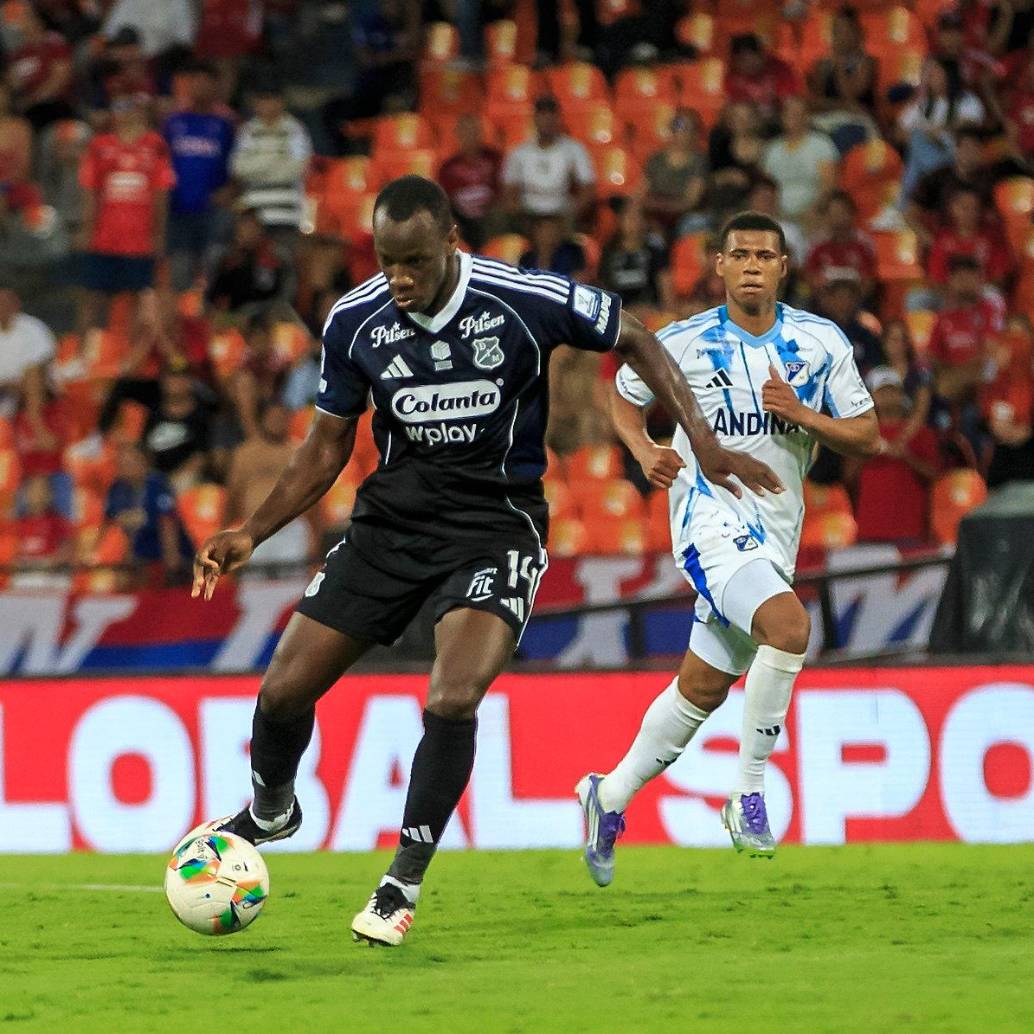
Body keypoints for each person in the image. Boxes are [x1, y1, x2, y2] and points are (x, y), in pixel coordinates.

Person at [190, 175, 780, 947]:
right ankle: (272, 809)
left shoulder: (520, 299)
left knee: (453, 695)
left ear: (450, 245)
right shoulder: (355, 320)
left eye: (413, 262)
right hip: (389, 530)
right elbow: (327, 446)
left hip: (494, 527)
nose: (398, 278)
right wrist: (251, 531)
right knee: (280, 695)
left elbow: (633, 332)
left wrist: (696, 434)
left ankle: (400, 884)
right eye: (385, 260)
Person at [576, 211, 878, 882]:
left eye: (763, 256)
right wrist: (642, 446)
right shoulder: (679, 342)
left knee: (704, 687)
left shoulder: (819, 342)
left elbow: (868, 434)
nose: (750, 265)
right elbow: (621, 397)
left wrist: (802, 414)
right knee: (790, 626)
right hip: (708, 520)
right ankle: (748, 792)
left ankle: (609, 794)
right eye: (738, 254)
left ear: (782, 268)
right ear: (718, 265)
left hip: (777, 530)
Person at [76, 92, 175, 340]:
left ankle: (124, 354)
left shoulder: (156, 145)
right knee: (93, 295)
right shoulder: (100, 146)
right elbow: (90, 192)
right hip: (105, 237)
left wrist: (158, 235)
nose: (126, 112)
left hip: (139, 240)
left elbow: (161, 193)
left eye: (132, 107)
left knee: (134, 299)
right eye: (120, 106)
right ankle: (82, 354)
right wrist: (88, 231)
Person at [844, 366, 941, 544]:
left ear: (901, 395)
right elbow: (848, 477)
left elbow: (935, 475)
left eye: (892, 391)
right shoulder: (862, 433)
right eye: (881, 392)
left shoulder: (921, 433)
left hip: (910, 530)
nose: (888, 397)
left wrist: (907, 457)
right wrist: (871, 450)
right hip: (870, 530)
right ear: (871, 397)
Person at [162, 59, 236, 292]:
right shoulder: (173, 121)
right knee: (179, 272)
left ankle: (211, 325)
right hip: (178, 207)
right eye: (195, 81)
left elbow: (238, 162)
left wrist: (230, 189)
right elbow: (160, 161)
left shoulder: (226, 123)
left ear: (216, 86)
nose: (200, 87)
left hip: (212, 209)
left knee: (212, 268)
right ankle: (180, 323)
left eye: (206, 82)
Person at [231, 80, 312, 253]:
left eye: (272, 99)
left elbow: (298, 169)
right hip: (254, 214)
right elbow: (239, 168)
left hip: (286, 215)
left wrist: (258, 164)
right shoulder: (247, 131)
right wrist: (277, 157)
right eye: (263, 100)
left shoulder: (295, 130)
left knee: (285, 265)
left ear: (281, 102)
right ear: (255, 104)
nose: (268, 105)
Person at [501, 94, 596, 224]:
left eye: (551, 116)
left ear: (558, 119)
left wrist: (573, 213)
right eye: (542, 116)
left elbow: (588, 188)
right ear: (535, 119)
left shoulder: (574, 150)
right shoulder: (519, 153)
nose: (547, 121)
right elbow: (509, 190)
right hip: (528, 212)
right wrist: (519, 214)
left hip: (561, 212)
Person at [761, 96, 838, 231]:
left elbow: (828, 184)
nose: (792, 118)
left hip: (813, 213)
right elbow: (766, 187)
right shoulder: (772, 149)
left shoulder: (821, 144)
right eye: (788, 113)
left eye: (797, 114)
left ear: (807, 117)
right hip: (778, 215)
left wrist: (814, 210)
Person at [436, 113, 503, 250]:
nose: (470, 137)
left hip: (490, 214)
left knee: (498, 218)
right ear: (458, 136)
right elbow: (444, 200)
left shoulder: (494, 159)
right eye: (465, 133)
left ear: (480, 134)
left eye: (474, 132)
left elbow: (504, 189)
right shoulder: (448, 167)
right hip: (463, 219)